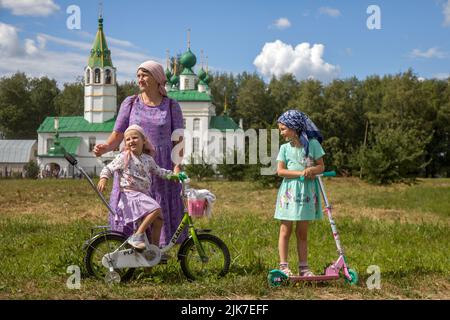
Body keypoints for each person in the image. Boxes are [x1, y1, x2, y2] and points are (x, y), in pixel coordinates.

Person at [93, 60, 185, 247]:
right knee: (135, 210)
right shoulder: (130, 103)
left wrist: (177, 166)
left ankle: (153, 254)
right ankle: (130, 251)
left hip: (161, 165)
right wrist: (106, 147)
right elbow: (118, 134)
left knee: (157, 213)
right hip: (132, 168)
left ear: (156, 78)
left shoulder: (171, 106)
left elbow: (179, 139)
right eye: (138, 75)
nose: (140, 79)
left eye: (144, 75)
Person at [97, 124, 179, 250]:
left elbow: (159, 171)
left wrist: (174, 175)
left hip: (143, 196)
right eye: (128, 139)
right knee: (156, 209)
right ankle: (137, 235)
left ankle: (154, 252)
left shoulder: (148, 159)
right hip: (131, 196)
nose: (131, 141)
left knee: (159, 220)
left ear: (144, 140)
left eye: (135, 137)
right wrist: (104, 178)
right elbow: (109, 167)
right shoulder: (124, 157)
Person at [274, 110, 325, 277]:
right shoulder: (284, 148)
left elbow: (321, 167)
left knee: (302, 233)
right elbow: (280, 171)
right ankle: (284, 267)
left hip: (306, 194)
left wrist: (311, 170)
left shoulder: (313, 145)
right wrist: (300, 173)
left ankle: (304, 268)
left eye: (283, 129)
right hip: (289, 194)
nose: (281, 132)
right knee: (285, 230)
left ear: (294, 128)